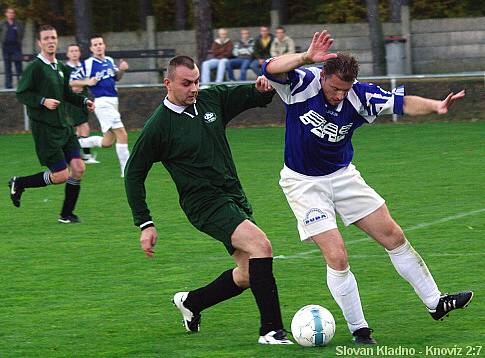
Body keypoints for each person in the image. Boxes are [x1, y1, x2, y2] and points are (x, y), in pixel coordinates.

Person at [263, 30, 473, 344]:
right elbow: (270, 68)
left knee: (394, 235)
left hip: (343, 176)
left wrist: (436, 106)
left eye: (343, 90)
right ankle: (359, 329)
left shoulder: (359, 95)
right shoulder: (302, 83)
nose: (338, 96)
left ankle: (435, 302)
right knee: (337, 256)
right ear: (323, 76)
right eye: (334, 88)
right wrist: (306, 56)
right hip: (304, 183)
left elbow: (401, 103)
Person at [124, 55, 292, 345]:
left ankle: (192, 302)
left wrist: (264, 88)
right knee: (261, 246)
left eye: (197, 81)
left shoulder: (210, 100)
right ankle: (271, 331)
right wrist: (145, 223)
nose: (194, 88)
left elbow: (252, 95)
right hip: (204, 205)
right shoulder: (158, 127)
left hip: (233, 196)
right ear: (168, 84)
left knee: (248, 273)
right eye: (186, 83)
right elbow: (133, 174)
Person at [9, 25, 95, 223]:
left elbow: (66, 94)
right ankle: (19, 182)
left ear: (57, 40)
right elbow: (21, 93)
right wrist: (42, 101)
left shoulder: (60, 67)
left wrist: (83, 101)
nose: (50, 41)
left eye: (53, 37)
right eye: (46, 38)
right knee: (61, 176)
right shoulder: (35, 68)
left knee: (79, 168)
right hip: (45, 130)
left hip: (64, 126)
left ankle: (66, 215)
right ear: (39, 42)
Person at [70, 34, 130, 177]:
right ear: (91, 48)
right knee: (122, 134)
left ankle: (79, 143)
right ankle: (127, 171)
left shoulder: (109, 60)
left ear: (104, 46)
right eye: (95, 45)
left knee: (107, 142)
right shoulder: (89, 63)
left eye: (100, 44)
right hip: (102, 102)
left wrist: (122, 70)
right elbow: (72, 81)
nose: (98, 46)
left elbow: (117, 78)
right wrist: (87, 82)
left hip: (113, 101)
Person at [65, 43, 99, 164]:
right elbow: (69, 84)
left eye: (76, 50)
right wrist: (84, 83)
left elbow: (87, 82)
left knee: (79, 130)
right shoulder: (66, 69)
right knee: (84, 127)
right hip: (73, 101)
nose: (74, 53)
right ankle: (86, 155)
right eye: (71, 51)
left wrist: (83, 83)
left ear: (79, 53)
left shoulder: (83, 67)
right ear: (68, 54)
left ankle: (74, 155)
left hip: (84, 100)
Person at [0, 7, 24, 88]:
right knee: (7, 67)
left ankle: (22, 84)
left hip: (16, 47)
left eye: (12, 13)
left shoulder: (18, 23)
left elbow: (21, 33)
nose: (11, 14)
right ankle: (8, 85)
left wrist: (18, 41)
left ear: (14, 14)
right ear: (6, 14)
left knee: (18, 66)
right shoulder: (2, 23)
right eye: (9, 12)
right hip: (6, 48)